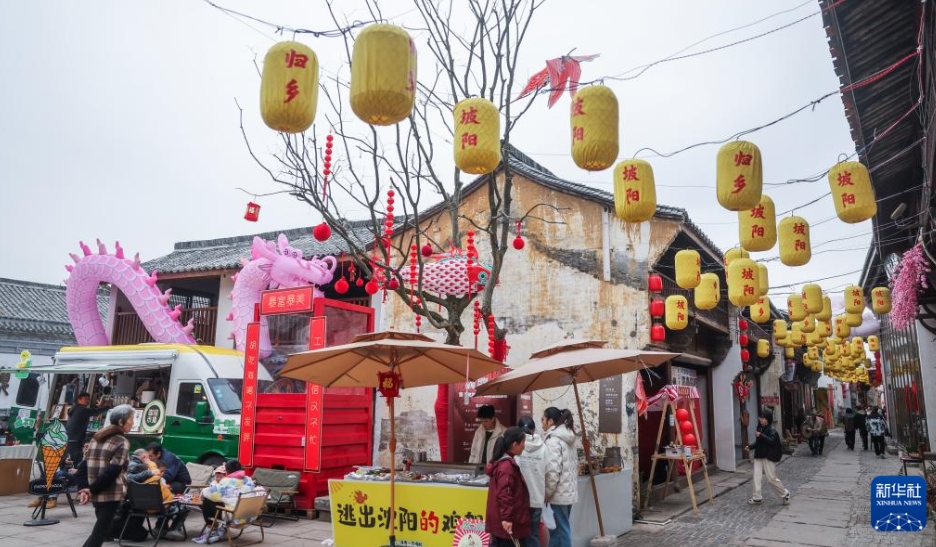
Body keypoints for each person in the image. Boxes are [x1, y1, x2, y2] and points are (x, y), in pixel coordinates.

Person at [77, 404, 135, 547]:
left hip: (95, 491)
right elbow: (112, 471)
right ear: (121, 422)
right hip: (110, 492)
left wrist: (85, 488)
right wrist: (90, 490)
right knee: (99, 533)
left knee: (102, 530)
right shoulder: (122, 441)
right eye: (131, 420)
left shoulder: (96, 438)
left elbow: (83, 466)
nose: (132, 423)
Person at [194, 459, 264, 544]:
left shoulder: (226, 482)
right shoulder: (248, 480)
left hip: (235, 518)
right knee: (224, 499)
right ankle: (214, 527)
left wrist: (203, 493)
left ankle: (211, 526)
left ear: (227, 471)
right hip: (251, 515)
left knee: (207, 501)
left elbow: (208, 492)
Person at [485, 427, 531, 547]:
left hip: (501, 521)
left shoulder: (503, 463)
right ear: (515, 444)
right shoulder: (506, 467)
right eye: (523, 443)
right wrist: (507, 518)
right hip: (505, 523)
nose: (524, 446)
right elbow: (505, 494)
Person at [543, 408, 577, 547]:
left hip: (558, 494)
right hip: (567, 492)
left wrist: (547, 493)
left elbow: (552, 472)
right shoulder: (567, 436)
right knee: (556, 531)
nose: (542, 423)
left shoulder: (553, 440)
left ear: (550, 421)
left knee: (562, 531)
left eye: (543, 420)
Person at [745, 409, 791, 506]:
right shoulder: (760, 428)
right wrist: (750, 446)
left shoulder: (772, 431)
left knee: (771, 478)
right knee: (756, 477)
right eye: (760, 418)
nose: (761, 420)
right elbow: (758, 443)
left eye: (763, 418)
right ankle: (757, 497)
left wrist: (761, 435)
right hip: (758, 456)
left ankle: (785, 493)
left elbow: (771, 441)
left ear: (768, 419)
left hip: (768, 457)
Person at [515, 416, 546, 547]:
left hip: (520, 500)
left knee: (520, 535)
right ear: (534, 430)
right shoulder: (543, 447)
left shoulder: (515, 447)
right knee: (533, 535)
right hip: (537, 498)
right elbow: (549, 472)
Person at [66, 392, 110, 466]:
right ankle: (71, 475)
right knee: (75, 461)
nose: (87, 401)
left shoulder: (74, 408)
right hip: (76, 440)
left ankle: (67, 474)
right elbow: (95, 412)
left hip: (70, 438)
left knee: (70, 460)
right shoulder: (82, 410)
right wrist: (108, 407)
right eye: (85, 399)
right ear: (79, 399)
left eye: (88, 399)